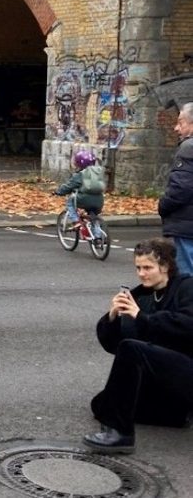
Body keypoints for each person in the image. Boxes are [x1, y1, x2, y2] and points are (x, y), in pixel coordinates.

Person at [83, 238, 193, 454]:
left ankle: (121, 434)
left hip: (187, 369)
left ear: (165, 266)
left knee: (132, 349)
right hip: (164, 377)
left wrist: (142, 317)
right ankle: (177, 415)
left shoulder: (187, 286)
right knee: (101, 405)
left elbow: (187, 325)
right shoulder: (142, 295)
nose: (142, 273)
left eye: (148, 267)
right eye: (138, 268)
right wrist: (113, 317)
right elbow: (113, 345)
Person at [159, 102, 193, 277]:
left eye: (181, 123)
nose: (176, 128)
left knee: (186, 278)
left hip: (186, 225)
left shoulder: (188, 148)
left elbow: (181, 188)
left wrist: (163, 205)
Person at [53, 149, 105, 229]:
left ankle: (76, 221)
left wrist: (58, 192)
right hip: (99, 200)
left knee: (70, 202)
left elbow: (68, 187)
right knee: (93, 218)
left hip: (84, 199)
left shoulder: (80, 175)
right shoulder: (98, 173)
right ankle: (98, 237)